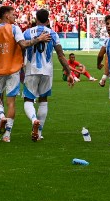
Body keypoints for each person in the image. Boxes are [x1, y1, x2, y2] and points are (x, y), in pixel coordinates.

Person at [0, 5, 51, 142]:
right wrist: (38, 39)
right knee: (11, 103)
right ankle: (7, 135)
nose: (15, 17)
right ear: (6, 16)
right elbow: (23, 44)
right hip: (13, 70)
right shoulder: (14, 28)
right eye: (13, 15)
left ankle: (1, 116)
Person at [22, 9, 74, 141]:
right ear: (47, 19)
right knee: (43, 100)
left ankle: (34, 119)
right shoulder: (53, 33)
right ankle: (38, 133)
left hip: (31, 70)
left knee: (28, 99)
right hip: (47, 71)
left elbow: (20, 49)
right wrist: (69, 72)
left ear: (36, 18)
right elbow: (61, 56)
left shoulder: (27, 32)